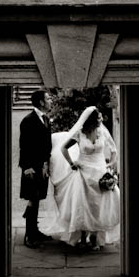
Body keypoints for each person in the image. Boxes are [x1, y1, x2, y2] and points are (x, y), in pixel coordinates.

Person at [46, 105, 120, 250]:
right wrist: (71, 163)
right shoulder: (80, 133)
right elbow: (63, 148)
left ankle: (95, 237)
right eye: (98, 118)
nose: (101, 120)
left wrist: (111, 163)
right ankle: (81, 237)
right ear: (91, 120)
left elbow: (114, 150)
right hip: (83, 173)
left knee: (99, 205)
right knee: (83, 205)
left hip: (100, 172)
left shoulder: (103, 132)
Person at [18, 89, 53, 248]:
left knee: (37, 198)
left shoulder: (45, 119)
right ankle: (28, 235)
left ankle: (35, 231)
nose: (51, 100)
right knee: (32, 199)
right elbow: (24, 146)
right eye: (48, 98)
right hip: (31, 168)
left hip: (42, 167)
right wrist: (27, 168)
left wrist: (46, 164)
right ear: (41, 102)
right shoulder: (28, 120)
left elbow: (47, 145)